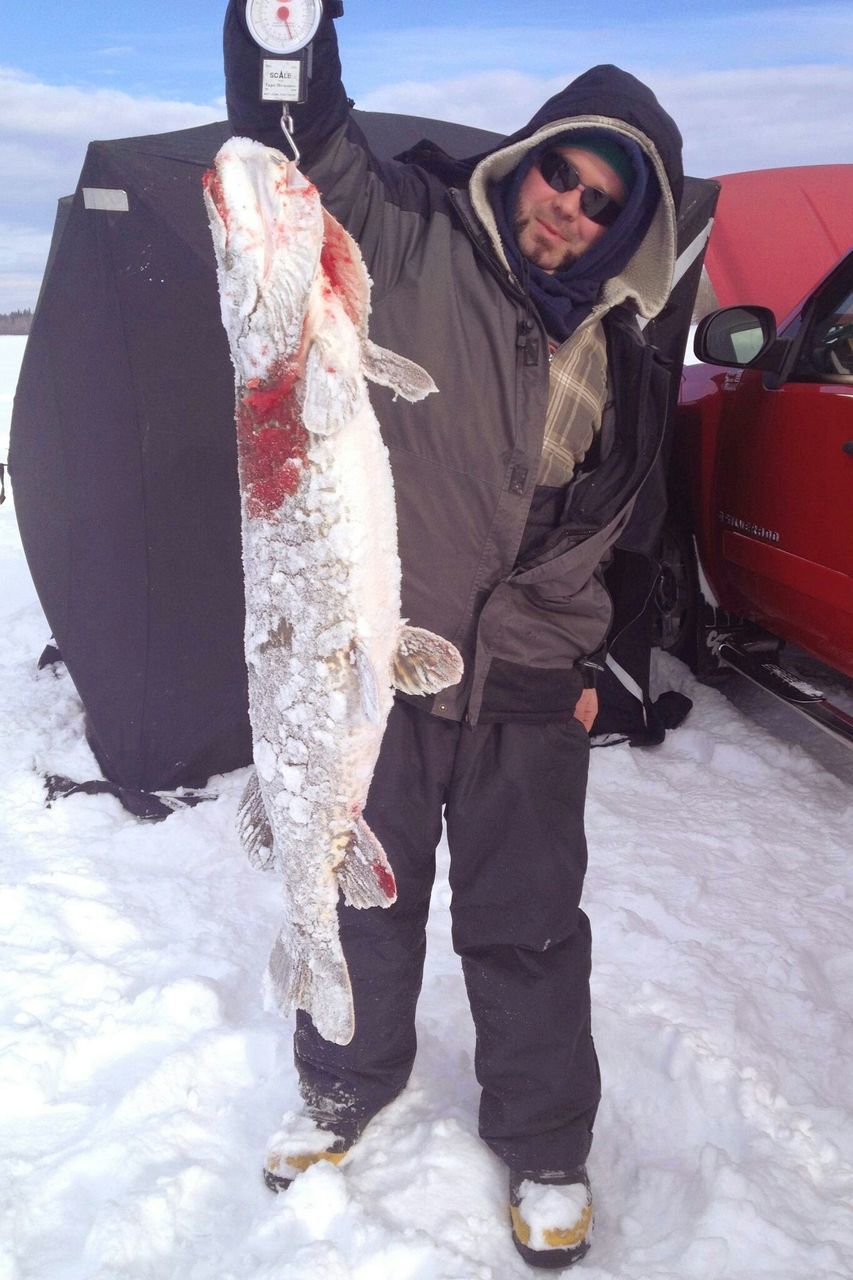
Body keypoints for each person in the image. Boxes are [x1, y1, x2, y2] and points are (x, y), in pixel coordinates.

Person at [224, 3, 683, 1268]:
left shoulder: (628, 352)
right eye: (560, 173)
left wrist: (603, 670)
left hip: (534, 683)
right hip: (389, 656)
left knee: (529, 922)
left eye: (601, 204)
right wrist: (284, 28)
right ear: (524, 159)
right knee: (359, 894)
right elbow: (296, 133)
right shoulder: (407, 237)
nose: (568, 211)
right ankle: (342, 1081)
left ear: (628, 229)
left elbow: (635, 534)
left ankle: (543, 1142)